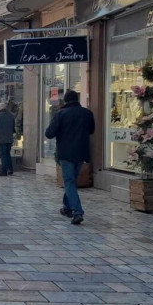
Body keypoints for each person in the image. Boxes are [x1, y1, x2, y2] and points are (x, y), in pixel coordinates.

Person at [45, 89, 95, 225]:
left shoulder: (61, 114)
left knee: (69, 182)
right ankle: (67, 207)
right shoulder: (87, 113)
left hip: (65, 153)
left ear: (66, 100)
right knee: (71, 181)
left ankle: (77, 212)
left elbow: (49, 133)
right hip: (81, 153)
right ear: (76, 99)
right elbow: (92, 130)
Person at [0, 102, 16, 176]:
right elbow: (13, 126)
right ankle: (10, 169)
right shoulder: (11, 115)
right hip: (9, 138)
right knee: (8, 154)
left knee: (3, 155)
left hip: (1, 138)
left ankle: (4, 171)